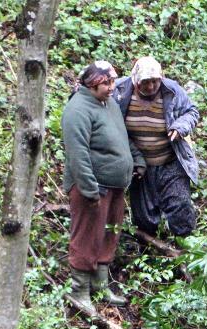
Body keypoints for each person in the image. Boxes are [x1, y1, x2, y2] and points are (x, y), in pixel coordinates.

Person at [61, 60, 144, 314]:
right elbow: (77, 154)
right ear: (92, 83)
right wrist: (89, 188)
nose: (111, 87)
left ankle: (100, 284)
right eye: (106, 83)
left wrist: (136, 160)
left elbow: (121, 138)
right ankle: (79, 292)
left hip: (116, 185)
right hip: (94, 186)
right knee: (87, 235)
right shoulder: (78, 110)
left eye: (111, 82)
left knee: (110, 232)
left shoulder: (108, 104)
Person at [114, 57, 199, 237]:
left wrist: (180, 127)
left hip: (170, 161)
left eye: (155, 81)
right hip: (139, 165)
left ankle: (186, 250)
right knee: (144, 217)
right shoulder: (119, 91)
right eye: (146, 82)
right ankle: (150, 250)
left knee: (180, 206)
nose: (151, 86)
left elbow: (192, 111)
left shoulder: (171, 90)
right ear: (135, 81)